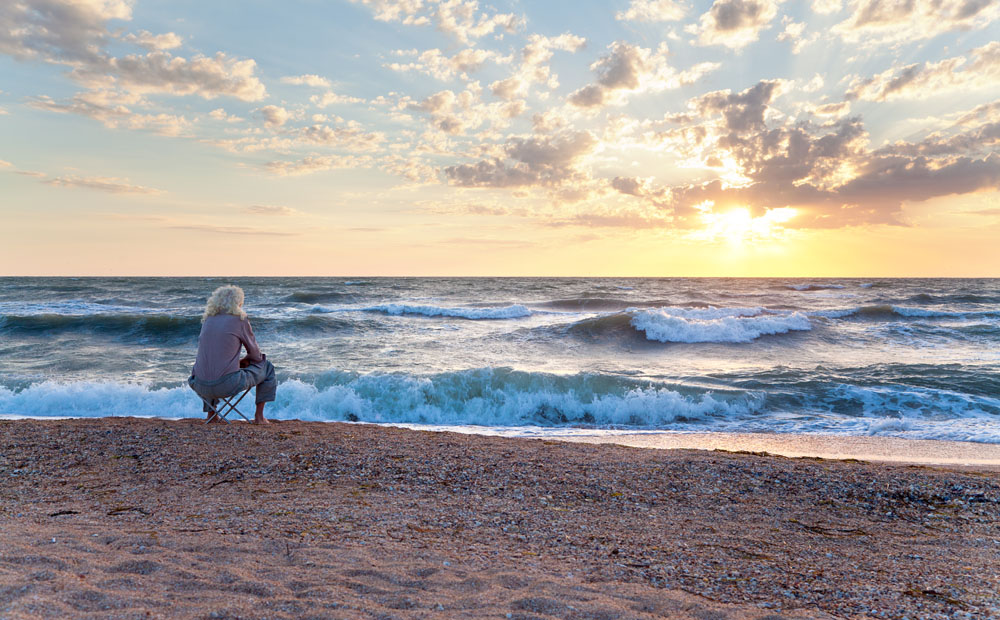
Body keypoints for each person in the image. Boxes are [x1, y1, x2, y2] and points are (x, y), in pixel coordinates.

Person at [188, 285, 275, 424]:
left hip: (198, 384)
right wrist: (246, 360)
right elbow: (256, 355)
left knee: (210, 368)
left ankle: (212, 415)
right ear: (238, 302)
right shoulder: (239, 320)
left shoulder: (208, 320)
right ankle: (259, 417)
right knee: (267, 367)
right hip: (226, 385)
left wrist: (237, 362)